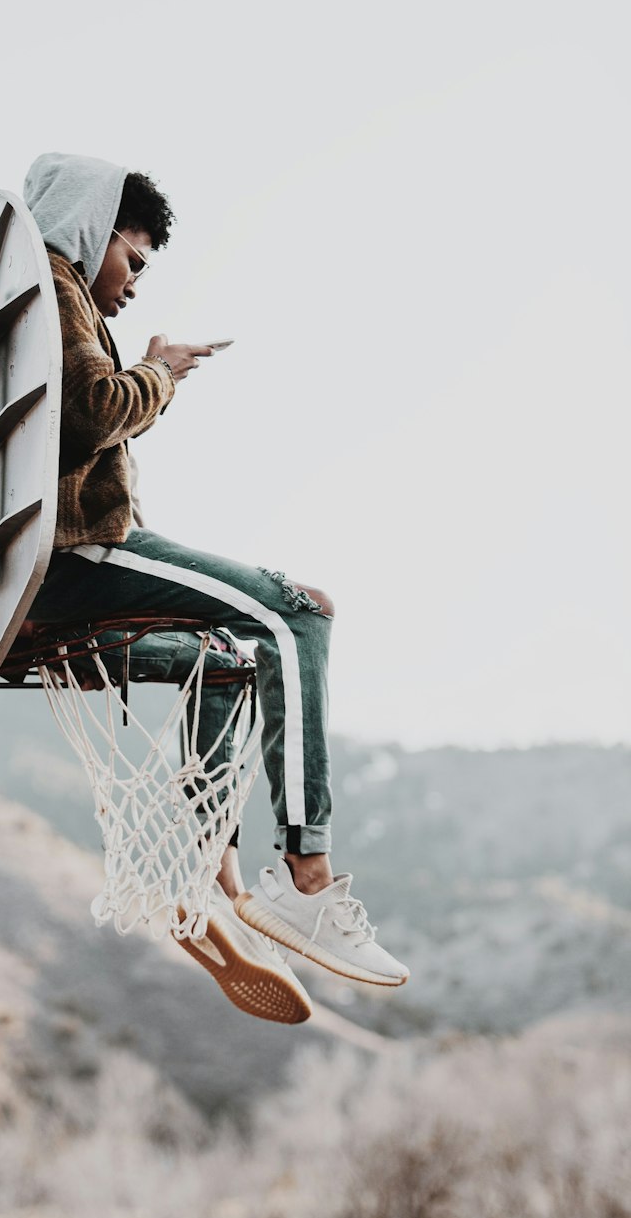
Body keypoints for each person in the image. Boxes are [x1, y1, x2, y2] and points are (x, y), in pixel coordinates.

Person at [23, 152, 408, 1024]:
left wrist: (149, 373)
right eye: (135, 258)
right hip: (77, 553)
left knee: (229, 654)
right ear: (94, 226)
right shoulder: (53, 285)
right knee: (299, 612)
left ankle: (201, 865)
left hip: (42, 561)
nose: (131, 283)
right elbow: (93, 409)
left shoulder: (15, 295)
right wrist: (160, 371)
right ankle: (307, 876)